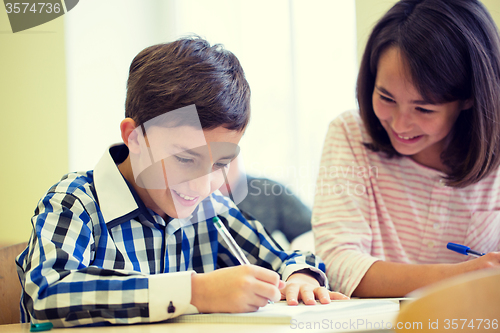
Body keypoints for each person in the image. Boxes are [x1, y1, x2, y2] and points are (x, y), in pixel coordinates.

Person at [16, 37, 346, 328]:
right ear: (135, 138)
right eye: (185, 160)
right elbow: (45, 295)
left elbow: (284, 258)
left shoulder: (209, 209)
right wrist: (195, 292)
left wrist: (299, 276)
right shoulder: (76, 201)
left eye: (220, 164)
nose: (202, 186)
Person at [312, 0, 500, 298]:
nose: (400, 125)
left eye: (423, 109)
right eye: (386, 98)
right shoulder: (350, 133)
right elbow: (337, 263)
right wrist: (465, 275)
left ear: (469, 99)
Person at [219, 157, 312, 245]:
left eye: (227, 159)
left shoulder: (269, 191)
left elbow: (312, 232)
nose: (222, 171)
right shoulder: (206, 202)